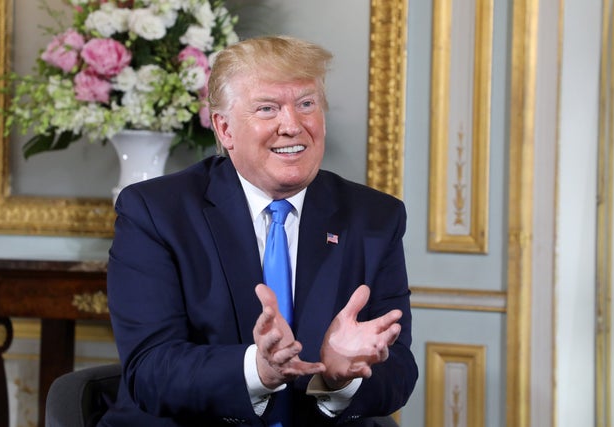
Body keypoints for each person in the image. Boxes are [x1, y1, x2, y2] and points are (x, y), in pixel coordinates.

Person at [99, 35, 418, 427]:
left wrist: (338, 379)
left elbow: (399, 371)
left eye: (306, 104)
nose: (292, 126)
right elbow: (151, 370)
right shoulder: (156, 213)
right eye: (267, 109)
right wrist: (258, 370)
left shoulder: (375, 218)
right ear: (225, 129)